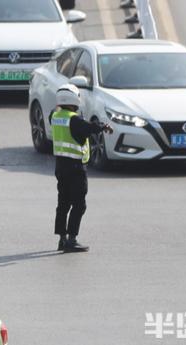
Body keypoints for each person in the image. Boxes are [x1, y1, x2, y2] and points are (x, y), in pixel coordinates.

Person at [51, 84, 113, 252]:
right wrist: (104, 126)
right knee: (79, 204)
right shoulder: (74, 119)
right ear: (74, 99)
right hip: (76, 168)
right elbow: (90, 128)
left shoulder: (54, 116)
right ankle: (72, 239)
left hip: (60, 167)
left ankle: (62, 239)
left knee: (63, 203)